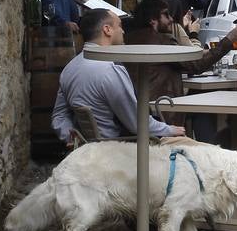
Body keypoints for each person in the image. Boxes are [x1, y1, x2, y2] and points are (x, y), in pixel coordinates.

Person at [50, 8, 184, 144]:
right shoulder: (110, 69)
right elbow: (137, 123)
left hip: (86, 150)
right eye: (119, 25)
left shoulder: (69, 68)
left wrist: (71, 136)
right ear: (107, 30)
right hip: (117, 150)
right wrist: (170, 130)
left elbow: (59, 116)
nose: (123, 31)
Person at [124, 0, 237, 130]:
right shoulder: (162, 41)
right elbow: (196, 66)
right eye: (166, 15)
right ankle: (205, 148)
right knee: (204, 110)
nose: (171, 19)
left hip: (136, 113)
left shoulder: (128, 39)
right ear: (153, 20)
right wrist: (229, 40)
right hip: (161, 113)